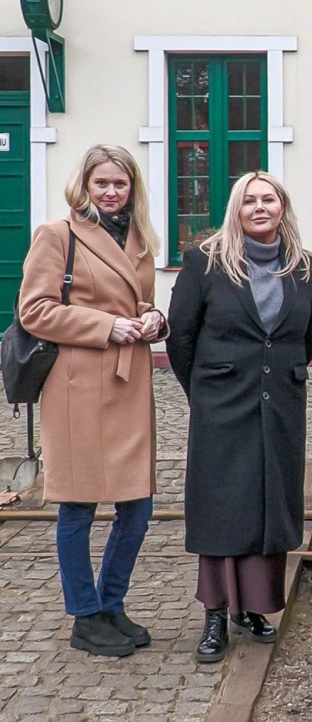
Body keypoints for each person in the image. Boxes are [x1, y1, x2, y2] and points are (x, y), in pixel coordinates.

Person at [166, 171, 312, 662]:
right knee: (220, 504)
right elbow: (180, 337)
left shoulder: (304, 268)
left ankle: (254, 607)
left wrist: (278, 374)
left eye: (269, 199)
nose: (260, 208)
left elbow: (309, 334)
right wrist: (206, 387)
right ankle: (215, 613)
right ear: (236, 211)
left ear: (283, 207)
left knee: (269, 501)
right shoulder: (204, 263)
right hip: (221, 401)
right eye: (249, 201)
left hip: (280, 402)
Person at [17, 144, 167, 657]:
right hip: (77, 386)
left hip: (128, 384)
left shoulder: (140, 238)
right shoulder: (57, 236)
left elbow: (138, 299)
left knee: (138, 506)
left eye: (119, 184)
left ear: (132, 189)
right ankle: (84, 615)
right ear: (84, 186)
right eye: (101, 183)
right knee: (78, 505)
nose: (110, 192)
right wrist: (108, 326)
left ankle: (112, 603)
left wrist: (154, 320)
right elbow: (34, 310)